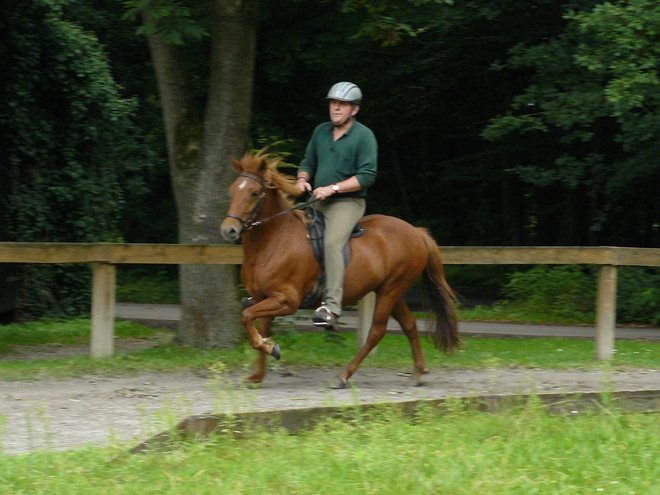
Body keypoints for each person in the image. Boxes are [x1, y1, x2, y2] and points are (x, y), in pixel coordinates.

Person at [295, 82, 378, 330]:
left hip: (347, 203)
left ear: (354, 110)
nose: (336, 108)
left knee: (332, 243)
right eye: (333, 103)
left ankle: (332, 307)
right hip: (317, 200)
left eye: (342, 104)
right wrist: (301, 179)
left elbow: (367, 176)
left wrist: (332, 188)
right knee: (290, 234)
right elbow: (308, 161)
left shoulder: (364, 136)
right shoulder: (321, 131)